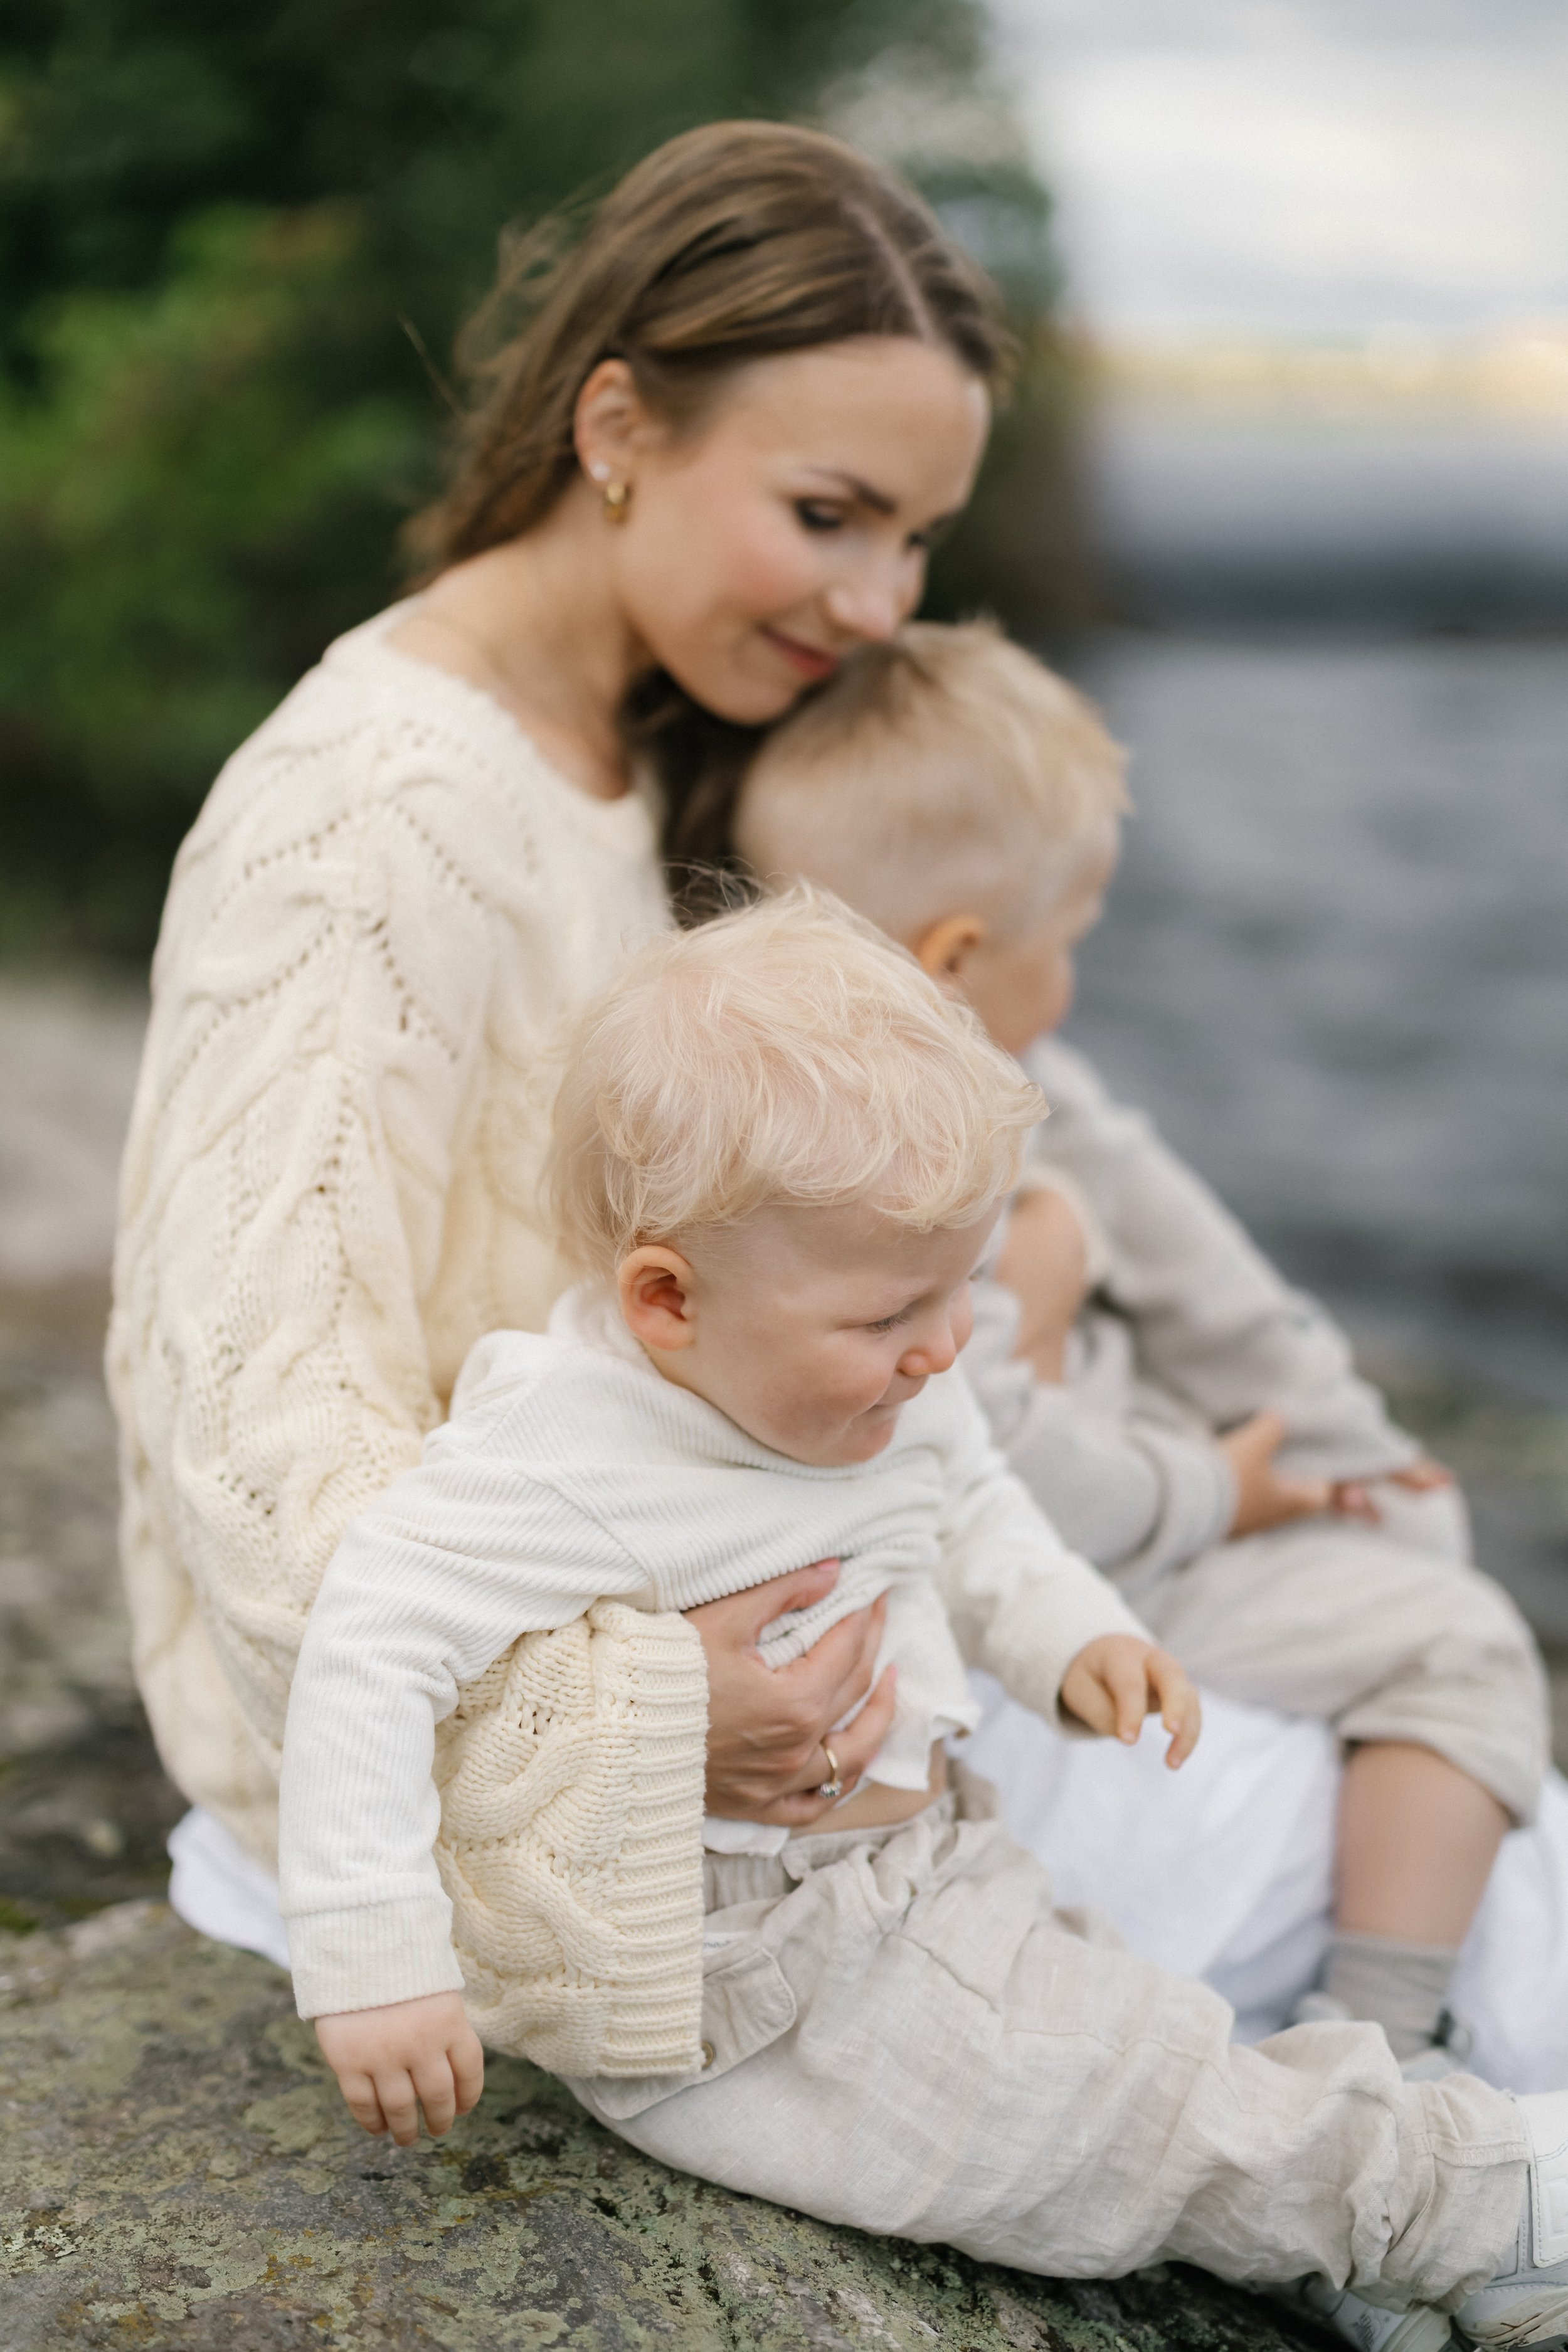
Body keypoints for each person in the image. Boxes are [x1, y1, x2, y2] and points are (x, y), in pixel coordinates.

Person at [282, 891, 1568, 2352]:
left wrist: (1071, 1636)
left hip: (932, 1860)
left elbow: (969, 1510)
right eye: (897, 1312)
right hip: (755, 1989)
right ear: (665, 1300)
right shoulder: (569, 1455)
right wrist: (375, 1961)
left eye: (962, 1288)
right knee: (1118, 2101)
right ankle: (1484, 2210)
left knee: (1141, 2052)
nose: (948, 1345)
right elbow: (368, 1649)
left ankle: (1342, 2264)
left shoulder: (878, 1372)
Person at [107, 121, 1008, 1952]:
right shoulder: (370, 814)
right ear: (615, 432)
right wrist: (656, 1707)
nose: (877, 603)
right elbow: (254, 1446)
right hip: (448, 1809)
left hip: (736, 1618)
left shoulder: (646, 753)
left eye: (914, 538)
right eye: (827, 515)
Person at [732, 620, 1552, 2074]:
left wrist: (1356, 1450)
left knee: (1412, 1561)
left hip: (1133, 1510)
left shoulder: (1006, 1080)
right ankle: (1379, 2033)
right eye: (1075, 939)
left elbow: (1215, 1288)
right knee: (1460, 1644)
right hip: (1084, 1568)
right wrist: (1218, 1493)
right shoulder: (872, 1184)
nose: (1080, 977)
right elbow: (981, 1469)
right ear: (958, 959)